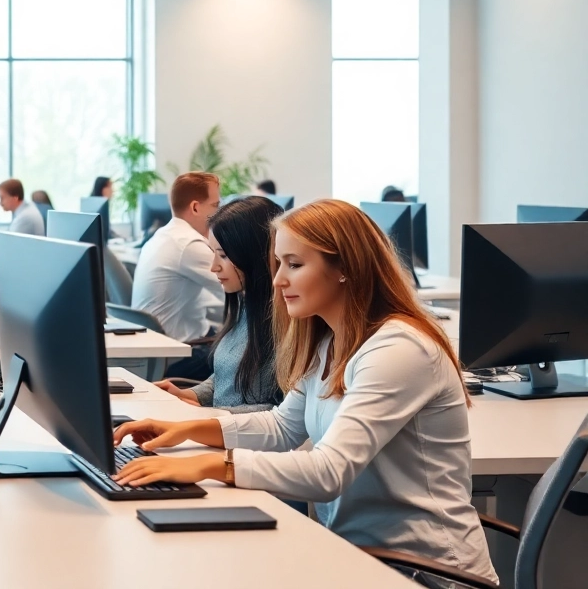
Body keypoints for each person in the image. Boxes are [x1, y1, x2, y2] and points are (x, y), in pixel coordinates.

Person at [112, 200, 496, 584]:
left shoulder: (398, 349)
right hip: (362, 559)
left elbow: (329, 471)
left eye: (294, 265)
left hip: (428, 571)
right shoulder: (330, 340)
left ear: (345, 268)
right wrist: (187, 429)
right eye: (278, 264)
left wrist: (213, 464)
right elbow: (283, 427)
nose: (278, 280)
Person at [153, 196, 283, 413]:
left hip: (245, 441)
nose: (214, 267)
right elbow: (225, 377)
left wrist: (212, 415)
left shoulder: (286, 322)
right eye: (213, 253)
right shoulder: (245, 306)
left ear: (252, 254)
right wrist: (188, 394)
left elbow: (285, 415)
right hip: (219, 432)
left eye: (222, 255)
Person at [130, 172, 224, 379]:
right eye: (216, 206)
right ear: (196, 207)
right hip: (181, 355)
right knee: (251, 357)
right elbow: (237, 288)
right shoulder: (188, 244)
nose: (219, 214)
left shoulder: (164, 235)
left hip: (158, 351)